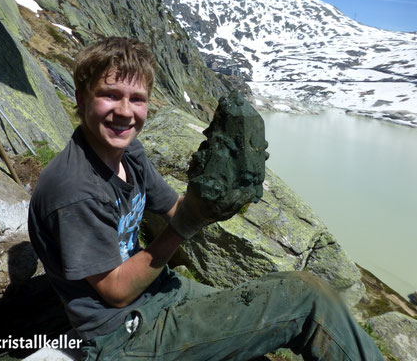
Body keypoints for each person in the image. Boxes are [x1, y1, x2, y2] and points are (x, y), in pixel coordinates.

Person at [28, 37, 384, 360]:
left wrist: (217, 197)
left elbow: (173, 209)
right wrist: (186, 225)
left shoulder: (128, 152)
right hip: (121, 335)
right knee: (308, 301)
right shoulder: (74, 189)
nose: (125, 111)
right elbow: (116, 291)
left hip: (160, 293)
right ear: (80, 97)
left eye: (137, 99)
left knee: (282, 294)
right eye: (110, 95)